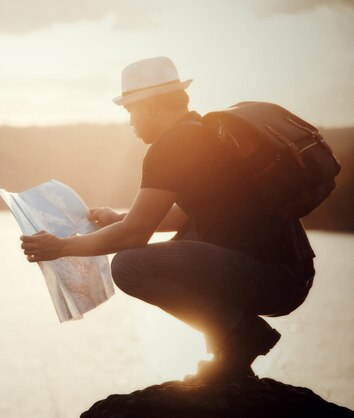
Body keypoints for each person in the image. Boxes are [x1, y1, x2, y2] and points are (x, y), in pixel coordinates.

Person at [19, 56, 316, 382]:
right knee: (183, 242)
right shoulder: (204, 134)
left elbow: (134, 236)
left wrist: (61, 247)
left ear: (148, 106)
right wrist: (121, 218)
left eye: (130, 110)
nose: (130, 121)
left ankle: (243, 335)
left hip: (273, 278)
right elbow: (189, 213)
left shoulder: (174, 145)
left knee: (129, 265)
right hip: (290, 274)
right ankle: (231, 357)